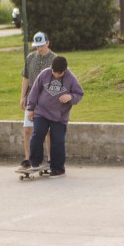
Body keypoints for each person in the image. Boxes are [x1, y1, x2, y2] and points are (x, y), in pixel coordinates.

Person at [25, 56, 84, 178]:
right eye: (54, 72)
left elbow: (79, 94)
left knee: (57, 141)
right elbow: (34, 91)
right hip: (41, 112)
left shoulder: (71, 79)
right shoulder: (44, 74)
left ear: (65, 70)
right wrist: (30, 108)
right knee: (37, 135)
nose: (56, 75)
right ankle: (35, 162)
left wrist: (70, 97)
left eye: (59, 73)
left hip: (60, 116)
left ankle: (58, 169)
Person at [19, 31, 56, 169]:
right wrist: (22, 96)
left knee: (47, 130)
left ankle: (50, 158)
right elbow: (26, 78)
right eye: (37, 46)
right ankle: (27, 158)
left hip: (47, 100)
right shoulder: (30, 58)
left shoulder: (54, 59)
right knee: (28, 128)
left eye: (42, 46)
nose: (39, 49)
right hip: (31, 98)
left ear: (47, 43)